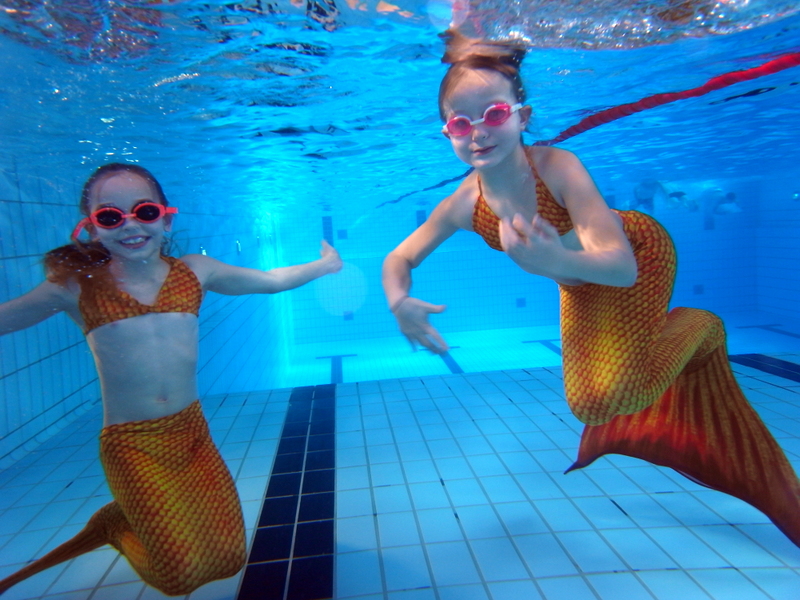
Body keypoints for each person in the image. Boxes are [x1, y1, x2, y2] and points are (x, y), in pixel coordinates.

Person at [382, 30, 800, 547]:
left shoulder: (557, 168)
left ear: (521, 116)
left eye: (493, 115)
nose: (478, 134)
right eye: (461, 122)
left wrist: (552, 259)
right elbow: (398, 257)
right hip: (574, 278)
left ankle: (702, 326)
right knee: (592, 407)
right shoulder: (464, 204)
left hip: (633, 256)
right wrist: (399, 302)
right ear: (446, 132)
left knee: (622, 391)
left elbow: (621, 267)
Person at [0, 163, 342, 595]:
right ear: (90, 229)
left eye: (143, 211)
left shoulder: (193, 271)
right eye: (110, 217)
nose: (129, 226)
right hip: (132, 444)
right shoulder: (76, 287)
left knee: (230, 558)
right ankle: (115, 527)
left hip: (191, 432)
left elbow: (270, 281)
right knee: (177, 577)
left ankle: (128, 518)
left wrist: (325, 265)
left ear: (165, 217)